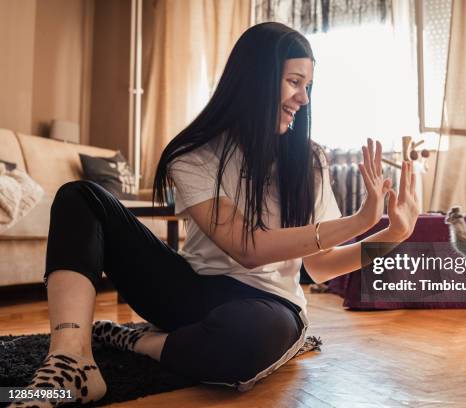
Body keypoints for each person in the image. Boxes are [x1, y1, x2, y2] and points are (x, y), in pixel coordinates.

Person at [11, 22, 419, 407]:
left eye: (308, 86)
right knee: (80, 196)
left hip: (269, 305)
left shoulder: (311, 161)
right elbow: (247, 248)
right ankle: (71, 361)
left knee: (244, 338)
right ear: (256, 81)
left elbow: (319, 266)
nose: (304, 98)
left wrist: (391, 236)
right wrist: (358, 220)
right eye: (294, 82)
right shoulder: (194, 156)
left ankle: (136, 341)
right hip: (191, 293)